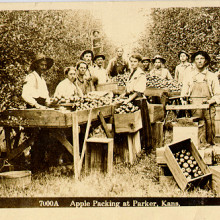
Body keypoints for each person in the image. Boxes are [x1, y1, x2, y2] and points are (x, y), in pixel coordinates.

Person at [181, 51, 220, 145]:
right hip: (193, 109)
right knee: (195, 133)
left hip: (208, 109)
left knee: (209, 132)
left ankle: (210, 153)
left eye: (202, 59)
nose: (199, 61)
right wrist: (184, 99)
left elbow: (218, 94)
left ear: (206, 61)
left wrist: (210, 101)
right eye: (197, 59)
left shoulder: (212, 76)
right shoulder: (189, 76)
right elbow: (183, 93)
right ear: (194, 62)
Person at [121, 54, 152, 149]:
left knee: (142, 123)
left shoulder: (140, 74)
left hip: (139, 101)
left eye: (135, 62)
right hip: (132, 100)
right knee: (134, 123)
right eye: (131, 61)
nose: (133, 63)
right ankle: (136, 147)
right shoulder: (132, 73)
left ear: (139, 63)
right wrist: (123, 94)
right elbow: (129, 88)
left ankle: (145, 147)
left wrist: (128, 100)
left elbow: (138, 91)